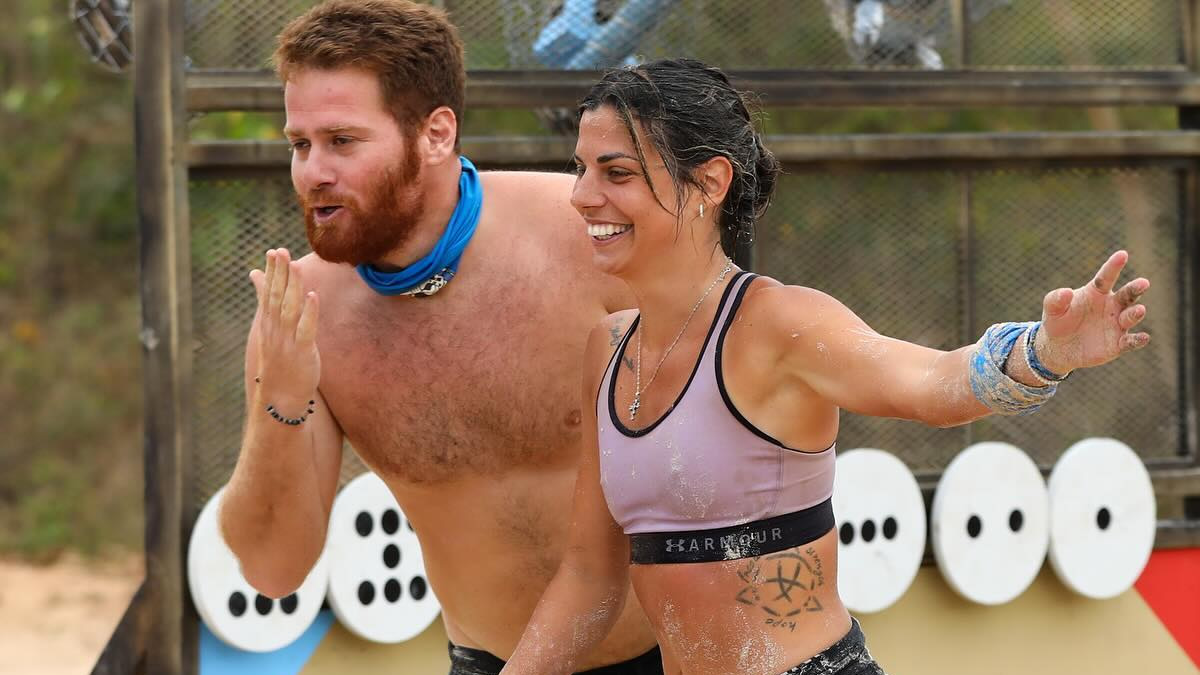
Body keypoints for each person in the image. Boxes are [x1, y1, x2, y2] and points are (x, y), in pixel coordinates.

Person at [500, 58, 1152, 675]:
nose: (581, 196)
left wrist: (1043, 352)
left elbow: (931, 384)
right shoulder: (609, 350)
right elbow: (589, 578)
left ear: (711, 182)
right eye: (579, 169)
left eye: (616, 173)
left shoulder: (778, 324)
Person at [215, 2, 664, 673]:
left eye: (342, 141)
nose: (313, 172)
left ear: (435, 133)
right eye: (300, 145)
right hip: (490, 660)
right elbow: (272, 570)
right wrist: (279, 402)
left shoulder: (588, 237)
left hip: (678, 653)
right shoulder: (302, 315)